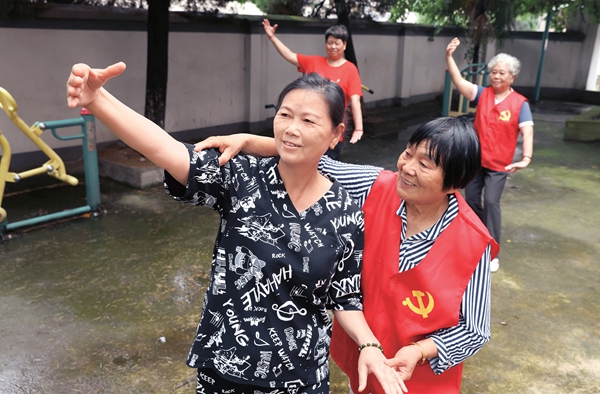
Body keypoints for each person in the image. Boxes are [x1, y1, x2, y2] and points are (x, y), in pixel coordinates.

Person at [66, 65, 406, 394]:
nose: (290, 128)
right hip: (226, 370)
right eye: (284, 115)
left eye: (308, 120)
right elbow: (164, 149)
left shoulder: (345, 211)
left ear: (336, 135)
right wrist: (98, 101)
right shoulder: (242, 177)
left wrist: (370, 345)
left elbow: (344, 296)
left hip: (301, 377)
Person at [194, 116, 500, 393]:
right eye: (408, 153)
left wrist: (419, 352)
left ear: (456, 182)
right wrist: (246, 141)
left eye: (425, 164)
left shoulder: (473, 242)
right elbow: (311, 157)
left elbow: (474, 330)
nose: (407, 168)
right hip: (363, 358)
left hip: (420, 381)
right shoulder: (377, 186)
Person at [445, 37, 534, 273]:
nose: (495, 76)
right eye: (493, 72)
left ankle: (493, 252)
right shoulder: (482, 94)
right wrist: (449, 57)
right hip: (476, 161)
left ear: (512, 77)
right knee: (471, 200)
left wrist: (526, 158)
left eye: (501, 73)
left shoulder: (520, 103)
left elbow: (527, 131)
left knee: (492, 203)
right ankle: (477, 238)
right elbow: (458, 80)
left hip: (499, 165)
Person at [262, 19, 364, 160]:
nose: (333, 46)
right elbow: (290, 55)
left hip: (329, 132)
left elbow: (355, 100)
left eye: (337, 43)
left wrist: (359, 128)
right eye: (330, 43)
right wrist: (272, 37)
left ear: (345, 45)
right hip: (305, 130)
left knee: (326, 170)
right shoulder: (314, 62)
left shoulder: (350, 69)